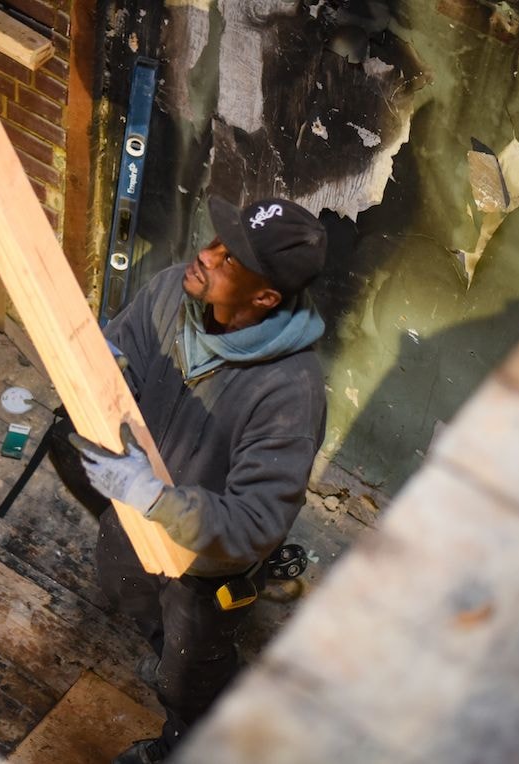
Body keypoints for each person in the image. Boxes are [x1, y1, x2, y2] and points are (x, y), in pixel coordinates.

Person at [69, 196, 329, 764]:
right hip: (137, 521)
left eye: (230, 259)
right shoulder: (172, 291)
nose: (206, 255)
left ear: (264, 298)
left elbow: (256, 524)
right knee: (124, 587)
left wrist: (153, 496)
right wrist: (106, 366)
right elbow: (129, 348)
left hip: (205, 565)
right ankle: (164, 653)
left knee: (195, 680)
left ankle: (186, 742)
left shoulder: (290, 391)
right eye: (216, 240)